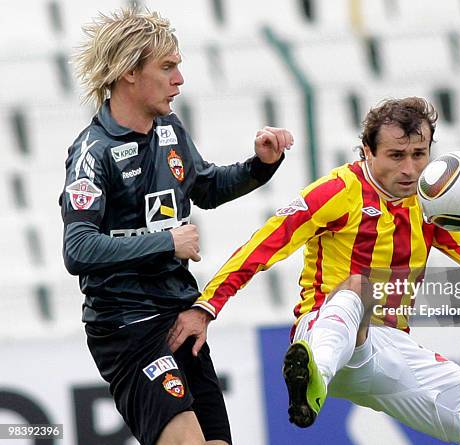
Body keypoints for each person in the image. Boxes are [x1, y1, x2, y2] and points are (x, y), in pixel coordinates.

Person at [168, 97, 460, 444]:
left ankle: (315, 378)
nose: (410, 169)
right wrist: (206, 307)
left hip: (391, 348)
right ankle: (309, 378)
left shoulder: (429, 201)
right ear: (366, 152)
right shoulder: (337, 192)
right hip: (327, 333)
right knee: (360, 284)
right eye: (396, 155)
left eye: (419, 154)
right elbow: (263, 246)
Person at [61, 7, 293, 445]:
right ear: (129, 71)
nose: (180, 79)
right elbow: (78, 248)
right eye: (168, 67)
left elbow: (205, 186)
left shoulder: (169, 128)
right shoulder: (93, 154)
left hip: (180, 315)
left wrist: (260, 166)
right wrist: (166, 242)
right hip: (127, 326)